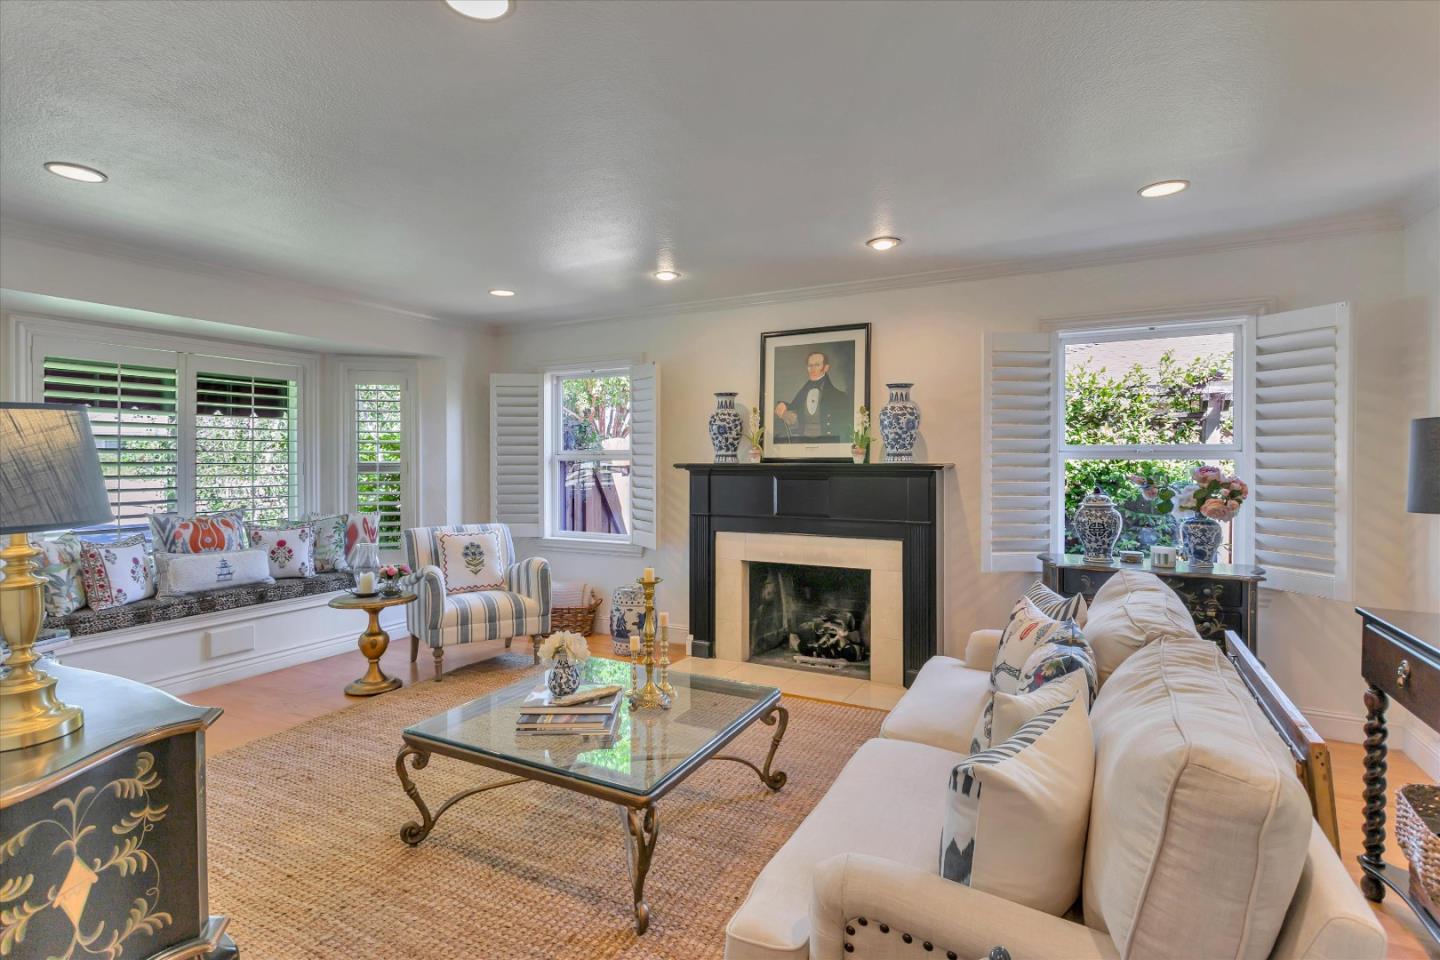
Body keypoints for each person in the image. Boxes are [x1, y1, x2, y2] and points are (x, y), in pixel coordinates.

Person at [774, 350, 850, 441]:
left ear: (826, 367)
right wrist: (784, 405)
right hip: (804, 442)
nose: (813, 369)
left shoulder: (840, 397)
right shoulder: (803, 391)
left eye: (817, 365)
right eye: (810, 366)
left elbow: (843, 428)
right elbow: (794, 407)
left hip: (827, 444)